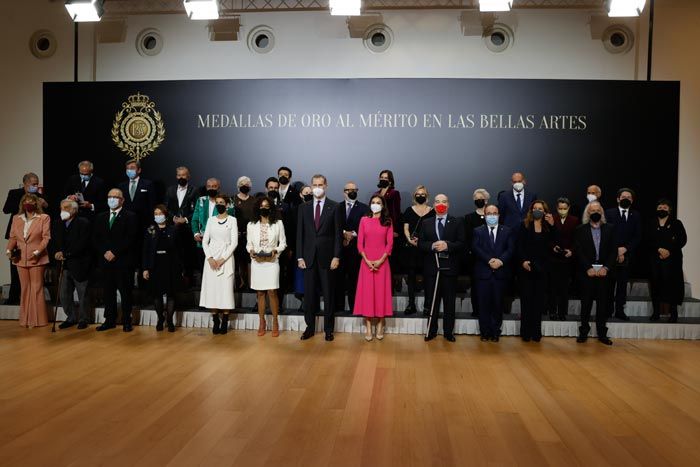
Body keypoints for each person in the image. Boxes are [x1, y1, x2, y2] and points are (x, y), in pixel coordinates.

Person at [297, 174, 341, 341]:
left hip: (327, 258)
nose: (317, 187)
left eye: (320, 184)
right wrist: (299, 256)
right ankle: (309, 327)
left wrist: (336, 256)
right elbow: (300, 234)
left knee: (329, 294)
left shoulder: (335, 207)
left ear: (326, 186)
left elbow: (337, 234)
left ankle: (329, 329)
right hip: (308, 258)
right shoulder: (304, 208)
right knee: (309, 295)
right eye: (314, 184)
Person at [419, 194, 465, 342]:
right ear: (433, 204)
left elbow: (462, 243)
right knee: (432, 301)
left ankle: (448, 332)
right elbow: (421, 243)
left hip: (450, 269)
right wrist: (432, 245)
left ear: (448, 204)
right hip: (432, 269)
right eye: (438, 202)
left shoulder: (457, 222)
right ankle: (431, 331)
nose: (441, 204)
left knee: (449, 302)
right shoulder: (426, 223)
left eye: (444, 201)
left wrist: (448, 245)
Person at [92, 189, 138, 332]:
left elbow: (131, 238)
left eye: (115, 197)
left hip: (123, 261)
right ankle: (109, 320)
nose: (112, 199)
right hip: (105, 261)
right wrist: (105, 252)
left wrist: (115, 252)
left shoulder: (130, 216)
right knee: (108, 292)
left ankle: (126, 321)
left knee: (125, 292)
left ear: (122, 200)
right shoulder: (101, 216)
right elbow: (95, 238)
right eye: (109, 196)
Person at [573, 201, 616, 345]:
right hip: (587, 273)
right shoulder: (580, 229)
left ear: (602, 213)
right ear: (588, 213)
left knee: (603, 305)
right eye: (592, 211)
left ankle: (602, 334)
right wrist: (588, 268)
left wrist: (606, 268)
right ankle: (583, 332)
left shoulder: (610, 229)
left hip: (604, 272)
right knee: (586, 304)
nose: (595, 213)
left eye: (598, 210)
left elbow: (613, 251)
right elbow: (578, 251)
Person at [471, 204, 516, 342]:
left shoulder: (507, 231)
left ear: (499, 215)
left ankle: (495, 331)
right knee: (483, 305)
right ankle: (484, 332)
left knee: (497, 304)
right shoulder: (477, 231)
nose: (492, 215)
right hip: (483, 274)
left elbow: (511, 249)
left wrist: (500, 261)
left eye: (494, 213)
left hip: (500, 274)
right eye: (489, 213)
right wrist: (489, 260)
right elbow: (476, 248)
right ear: (484, 215)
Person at [5, 193, 50, 327]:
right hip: (20, 258)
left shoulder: (43, 218)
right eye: (25, 201)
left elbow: (46, 238)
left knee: (36, 288)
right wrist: (8, 250)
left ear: (36, 203)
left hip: (37, 257)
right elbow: (13, 237)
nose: (28, 204)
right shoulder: (16, 218)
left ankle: (38, 320)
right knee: (25, 288)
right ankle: (25, 319)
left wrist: (37, 252)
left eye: (31, 201)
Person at [3, 173, 48, 305]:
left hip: (34, 236)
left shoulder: (39, 195)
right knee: (15, 266)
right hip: (17, 234)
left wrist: (44, 204)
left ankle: (31, 299)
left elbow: (46, 213)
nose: (36, 186)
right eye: (33, 184)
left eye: (37, 184)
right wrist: (25, 202)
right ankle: (13, 298)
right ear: (25, 184)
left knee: (33, 268)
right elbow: (6, 210)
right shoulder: (14, 193)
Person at [354, 195, 394, 341]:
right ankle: (369, 328)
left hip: (382, 263)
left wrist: (380, 260)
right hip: (366, 263)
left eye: (378, 203)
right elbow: (359, 243)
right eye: (373, 202)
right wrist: (366, 260)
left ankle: (380, 325)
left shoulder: (388, 221)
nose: (375, 205)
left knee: (381, 294)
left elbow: (389, 244)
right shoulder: (364, 220)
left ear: (383, 206)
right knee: (368, 294)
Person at [247, 196, 287, 337]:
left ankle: (275, 322)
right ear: (257, 208)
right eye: (261, 206)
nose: (264, 208)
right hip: (257, 262)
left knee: (272, 292)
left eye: (266, 206)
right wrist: (251, 251)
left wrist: (276, 250)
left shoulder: (278, 224)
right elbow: (249, 244)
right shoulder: (251, 224)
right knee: (260, 293)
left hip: (272, 261)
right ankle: (262, 322)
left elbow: (283, 243)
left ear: (271, 208)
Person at [517, 200, 555, 342]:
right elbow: (519, 245)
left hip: (543, 269)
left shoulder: (548, 227)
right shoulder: (524, 225)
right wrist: (523, 261)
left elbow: (555, 242)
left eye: (540, 208)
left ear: (545, 211)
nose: (537, 210)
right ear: (531, 210)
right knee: (526, 302)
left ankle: (536, 332)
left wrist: (553, 225)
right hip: (527, 267)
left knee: (538, 302)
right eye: (535, 208)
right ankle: (525, 333)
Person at [199, 194, 238, 335]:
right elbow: (205, 241)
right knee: (212, 290)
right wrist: (209, 258)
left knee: (225, 290)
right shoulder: (210, 220)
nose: (219, 204)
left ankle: (225, 320)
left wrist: (222, 259)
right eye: (217, 202)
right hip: (211, 259)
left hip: (226, 259)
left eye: (222, 202)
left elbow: (234, 242)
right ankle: (215, 320)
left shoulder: (232, 220)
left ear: (227, 205)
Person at [142, 205, 184, 332]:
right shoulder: (150, 229)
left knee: (171, 294)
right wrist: (145, 268)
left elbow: (179, 250)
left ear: (165, 215)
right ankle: (160, 319)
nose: (157, 216)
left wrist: (181, 268)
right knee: (157, 294)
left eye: (160, 213)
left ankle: (170, 320)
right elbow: (145, 250)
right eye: (155, 213)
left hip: (171, 265)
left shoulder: (173, 229)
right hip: (155, 265)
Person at [52, 199, 92, 330]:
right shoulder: (57, 224)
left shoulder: (83, 223)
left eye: (66, 208)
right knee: (64, 294)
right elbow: (54, 242)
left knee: (82, 294)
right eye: (61, 208)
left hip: (79, 263)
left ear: (74, 210)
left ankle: (83, 319)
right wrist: (57, 252)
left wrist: (67, 253)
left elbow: (83, 243)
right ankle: (71, 317)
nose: (63, 210)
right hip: (64, 265)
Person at [605, 188, 642, 321]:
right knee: (609, 285)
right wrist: (616, 251)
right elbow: (606, 234)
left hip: (627, 255)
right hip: (610, 255)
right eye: (623, 196)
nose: (626, 199)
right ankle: (608, 310)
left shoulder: (636, 215)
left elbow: (637, 236)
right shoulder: (609, 213)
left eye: (629, 197)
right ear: (618, 199)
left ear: (632, 200)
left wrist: (624, 249)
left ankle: (620, 310)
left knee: (622, 285)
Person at [648, 199, 687, 323]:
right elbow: (647, 239)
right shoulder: (651, 223)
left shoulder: (676, 223)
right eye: (660, 207)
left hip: (673, 260)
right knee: (655, 285)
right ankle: (656, 313)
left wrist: (669, 250)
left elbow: (682, 240)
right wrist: (659, 249)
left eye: (665, 207)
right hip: (655, 259)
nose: (662, 209)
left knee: (673, 285)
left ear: (669, 210)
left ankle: (673, 313)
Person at [401, 185, 434, 315]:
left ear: (427, 196)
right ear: (415, 196)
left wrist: (423, 243)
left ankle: (427, 305)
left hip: (426, 249)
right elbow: (405, 228)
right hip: (412, 249)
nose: (420, 196)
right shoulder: (409, 210)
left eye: (423, 194)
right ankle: (411, 304)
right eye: (418, 194)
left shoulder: (432, 211)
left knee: (427, 277)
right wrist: (410, 240)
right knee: (411, 276)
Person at [336, 181, 368, 313]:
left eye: (355, 189)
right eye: (349, 190)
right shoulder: (336, 207)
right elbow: (334, 225)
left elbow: (366, 227)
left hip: (356, 249)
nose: (352, 191)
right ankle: (338, 306)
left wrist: (353, 234)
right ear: (344, 192)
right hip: (340, 248)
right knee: (338, 278)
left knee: (354, 279)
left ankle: (354, 306)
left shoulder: (364, 208)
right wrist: (344, 233)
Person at [191, 178, 234, 277]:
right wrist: (196, 233)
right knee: (205, 271)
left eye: (214, 186)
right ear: (206, 187)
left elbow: (230, 219)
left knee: (220, 271)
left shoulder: (227, 201)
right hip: (202, 241)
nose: (211, 188)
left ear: (218, 187)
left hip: (220, 243)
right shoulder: (201, 200)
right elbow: (195, 219)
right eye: (209, 186)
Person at [164, 166, 197, 283]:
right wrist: (173, 218)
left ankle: (189, 280)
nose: (181, 177)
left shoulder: (194, 190)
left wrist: (186, 219)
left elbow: (196, 210)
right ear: (176, 176)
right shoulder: (170, 190)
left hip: (188, 228)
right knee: (174, 254)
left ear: (188, 176)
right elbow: (166, 208)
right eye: (179, 175)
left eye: (184, 175)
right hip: (173, 228)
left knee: (188, 255)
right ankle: (175, 279)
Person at [548, 197, 579, 321]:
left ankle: (562, 312)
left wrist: (571, 251)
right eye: (560, 208)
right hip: (553, 258)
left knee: (564, 288)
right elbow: (547, 237)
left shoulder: (575, 220)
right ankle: (552, 311)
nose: (562, 210)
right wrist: (552, 247)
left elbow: (577, 239)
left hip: (567, 259)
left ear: (569, 208)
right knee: (552, 287)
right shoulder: (551, 219)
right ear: (556, 208)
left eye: (564, 208)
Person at [374, 170, 402, 291]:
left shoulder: (394, 193)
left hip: (389, 229)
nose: (383, 179)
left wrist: (394, 229)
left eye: (386, 177)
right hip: (377, 231)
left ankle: (389, 288)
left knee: (389, 261)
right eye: (381, 177)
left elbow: (396, 212)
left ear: (390, 180)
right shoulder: (376, 193)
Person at [464, 188, 489, 318]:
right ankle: (476, 310)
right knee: (476, 285)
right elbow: (468, 238)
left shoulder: (492, 216)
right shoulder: (468, 218)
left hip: (490, 257)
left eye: (481, 198)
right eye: (477, 198)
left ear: (486, 200)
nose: (479, 200)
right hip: (474, 258)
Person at [233, 176, 256, 290]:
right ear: (238, 186)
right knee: (238, 260)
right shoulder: (233, 200)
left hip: (250, 235)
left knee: (249, 260)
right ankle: (241, 283)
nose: (244, 186)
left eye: (247, 184)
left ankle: (251, 283)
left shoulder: (254, 200)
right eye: (242, 184)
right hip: (236, 235)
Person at [292, 185, 312, 311]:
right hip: (300, 248)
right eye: (306, 192)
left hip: (314, 248)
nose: (308, 194)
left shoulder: (318, 209)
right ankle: (303, 301)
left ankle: (311, 301)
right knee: (301, 276)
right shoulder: (296, 210)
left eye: (310, 192)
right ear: (301, 194)